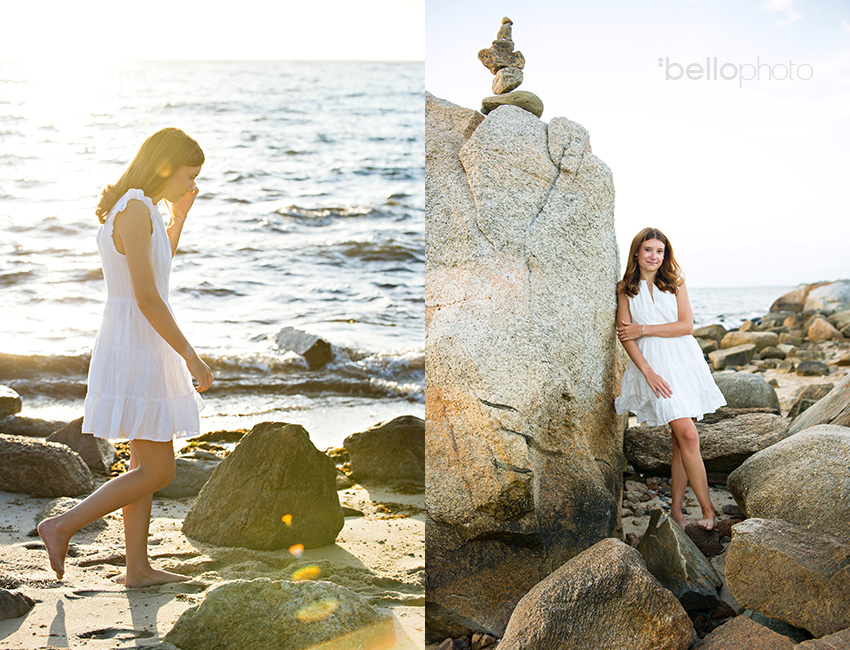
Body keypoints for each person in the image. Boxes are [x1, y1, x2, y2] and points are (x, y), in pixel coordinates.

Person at [38, 128, 214, 586]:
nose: (191, 184)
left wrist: (180, 216)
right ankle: (61, 525)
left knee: (142, 467)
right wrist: (191, 357)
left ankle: (137, 568)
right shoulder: (135, 208)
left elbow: (159, 264)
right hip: (139, 342)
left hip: (138, 341)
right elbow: (148, 298)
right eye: (188, 175)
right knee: (159, 469)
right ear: (166, 164)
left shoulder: (144, 208)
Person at [614, 227, 726, 531]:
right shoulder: (626, 288)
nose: (654, 256)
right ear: (637, 252)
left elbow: (686, 325)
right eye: (648, 250)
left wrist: (644, 329)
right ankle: (709, 510)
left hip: (684, 361)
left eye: (660, 251)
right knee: (688, 434)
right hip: (653, 367)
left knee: (682, 440)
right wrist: (647, 372)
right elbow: (626, 336)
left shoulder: (675, 282)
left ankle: (677, 512)